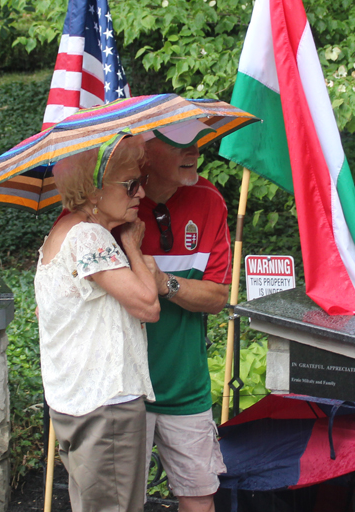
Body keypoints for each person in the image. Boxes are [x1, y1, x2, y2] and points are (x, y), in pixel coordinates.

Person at [34, 134, 160, 512]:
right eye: (130, 184)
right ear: (93, 192)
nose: (140, 194)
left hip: (75, 404)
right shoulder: (89, 237)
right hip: (107, 405)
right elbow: (148, 304)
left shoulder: (62, 233)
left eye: (141, 183)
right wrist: (133, 245)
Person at [138, 133, 231, 512]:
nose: (193, 150)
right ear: (144, 149)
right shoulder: (111, 204)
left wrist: (166, 283)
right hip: (124, 391)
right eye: (178, 142)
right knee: (120, 503)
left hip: (185, 385)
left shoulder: (210, 201)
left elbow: (216, 298)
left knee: (200, 499)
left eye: (196, 140)